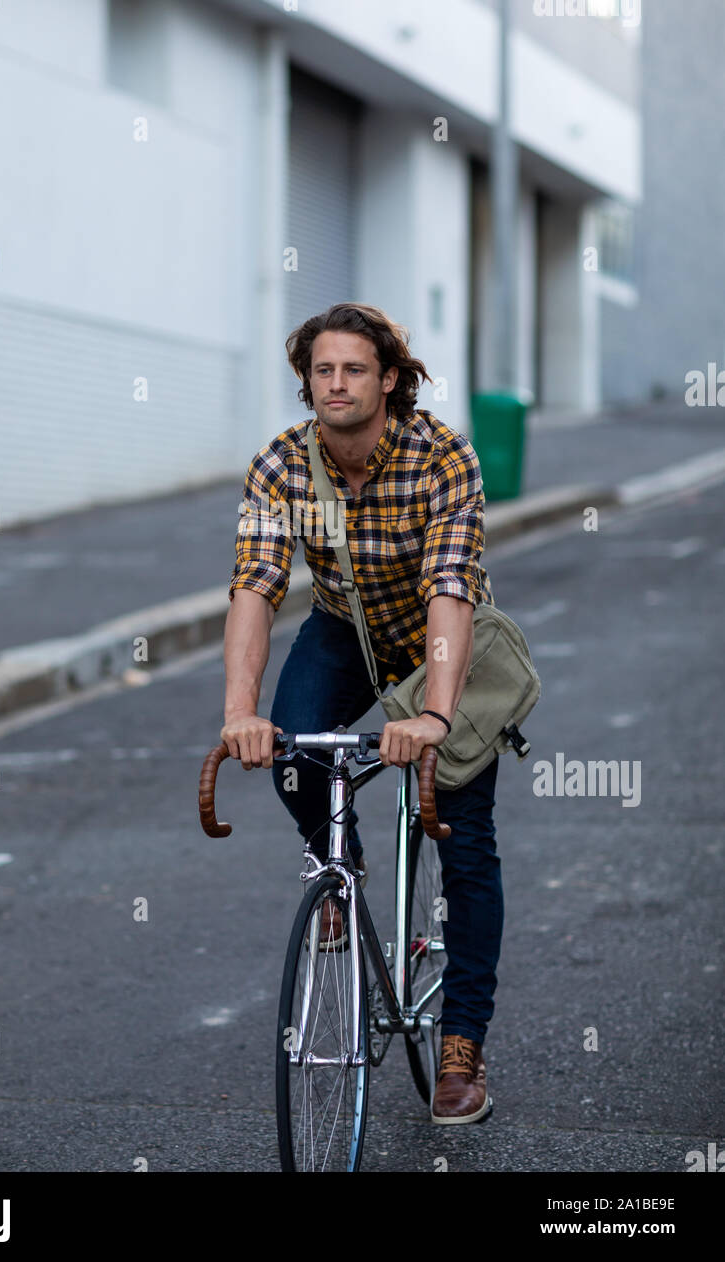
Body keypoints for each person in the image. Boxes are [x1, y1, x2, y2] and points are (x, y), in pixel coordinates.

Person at [220, 301, 503, 1125]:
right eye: (322, 371)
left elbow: (451, 590)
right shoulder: (280, 465)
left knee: (464, 832)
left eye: (354, 369)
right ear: (306, 383)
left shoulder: (440, 456)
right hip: (344, 629)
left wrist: (437, 720)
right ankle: (339, 870)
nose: (337, 384)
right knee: (293, 754)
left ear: (389, 379)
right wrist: (240, 711)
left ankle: (461, 1047)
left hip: (442, 640)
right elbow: (255, 587)